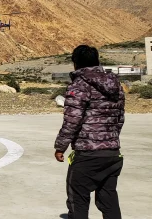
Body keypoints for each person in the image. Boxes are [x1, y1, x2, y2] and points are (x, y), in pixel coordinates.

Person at [54, 45, 125, 219]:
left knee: (77, 200)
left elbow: (72, 120)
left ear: (75, 64)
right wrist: (110, 141)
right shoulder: (116, 84)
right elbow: (120, 117)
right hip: (112, 154)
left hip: (87, 154)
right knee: (108, 200)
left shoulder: (79, 85)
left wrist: (60, 146)